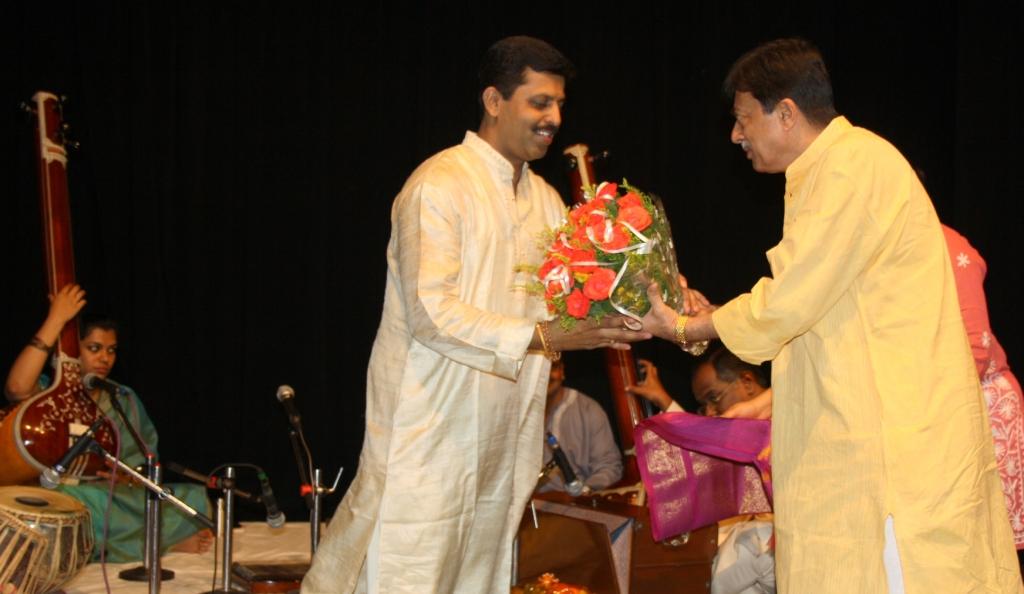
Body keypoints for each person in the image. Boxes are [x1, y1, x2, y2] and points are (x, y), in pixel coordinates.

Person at [641, 38, 1021, 592]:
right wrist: (723, 324)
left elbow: (789, 301)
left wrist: (684, 327)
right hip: (864, 432)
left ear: (787, 113)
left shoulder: (851, 165)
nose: (735, 135)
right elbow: (818, 313)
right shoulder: (827, 171)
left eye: (743, 119)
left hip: (890, 451)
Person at [302, 36, 654, 594]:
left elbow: (573, 296)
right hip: (429, 433)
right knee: (407, 573)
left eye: (560, 104)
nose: (554, 118)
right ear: (494, 100)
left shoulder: (544, 201)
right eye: (539, 103)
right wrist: (544, 334)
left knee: (479, 578)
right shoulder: (438, 185)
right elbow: (431, 314)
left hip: (503, 439)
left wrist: (648, 291)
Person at [4, 283, 213, 563]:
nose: (105, 358)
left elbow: (144, 459)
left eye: (111, 350)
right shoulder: (45, 393)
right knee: (73, 502)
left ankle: (145, 542)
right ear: (69, 349)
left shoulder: (121, 397)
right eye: (94, 348)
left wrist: (128, 475)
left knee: (190, 497)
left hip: (110, 492)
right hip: (58, 489)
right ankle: (157, 544)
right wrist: (56, 321)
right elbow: (16, 388)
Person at [630, 353, 775, 594]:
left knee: (755, 543)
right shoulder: (737, 434)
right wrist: (664, 400)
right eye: (704, 404)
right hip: (729, 558)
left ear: (747, 382)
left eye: (713, 398)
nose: (709, 412)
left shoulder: (792, 418)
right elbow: (700, 449)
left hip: (781, 548)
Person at [943, 225, 1024, 557]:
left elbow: (977, 348)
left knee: (993, 552)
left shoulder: (943, 244)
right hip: (941, 408)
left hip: (980, 406)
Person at [537, 360, 622, 494]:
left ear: (562, 371)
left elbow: (609, 467)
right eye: (539, 369)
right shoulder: (518, 413)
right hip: (530, 509)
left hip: (575, 507)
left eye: (552, 367)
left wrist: (583, 492)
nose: (546, 375)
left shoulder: (588, 410)